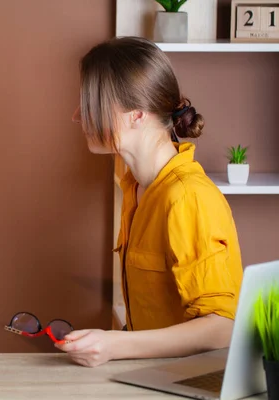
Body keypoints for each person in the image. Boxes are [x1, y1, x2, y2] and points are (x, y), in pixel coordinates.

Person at [57, 36, 243, 367]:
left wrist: (116, 345)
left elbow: (222, 328)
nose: (76, 116)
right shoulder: (135, 188)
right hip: (154, 379)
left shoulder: (187, 197)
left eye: (90, 105)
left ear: (137, 114)